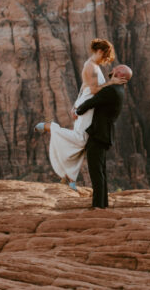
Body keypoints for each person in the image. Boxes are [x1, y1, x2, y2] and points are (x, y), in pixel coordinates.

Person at [35, 39, 124, 191]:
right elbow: (95, 90)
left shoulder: (92, 65)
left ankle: (70, 177)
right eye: (106, 56)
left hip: (86, 105)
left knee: (83, 143)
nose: (105, 61)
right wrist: (112, 82)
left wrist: (75, 104)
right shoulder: (91, 67)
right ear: (101, 52)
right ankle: (51, 127)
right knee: (80, 139)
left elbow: (84, 85)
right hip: (88, 109)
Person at [74, 63, 131, 208]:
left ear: (120, 74)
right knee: (100, 170)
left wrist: (78, 111)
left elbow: (93, 101)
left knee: (96, 171)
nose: (112, 70)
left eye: (116, 69)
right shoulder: (117, 88)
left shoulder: (111, 90)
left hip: (99, 134)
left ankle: (98, 206)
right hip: (104, 134)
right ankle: (102, 204)